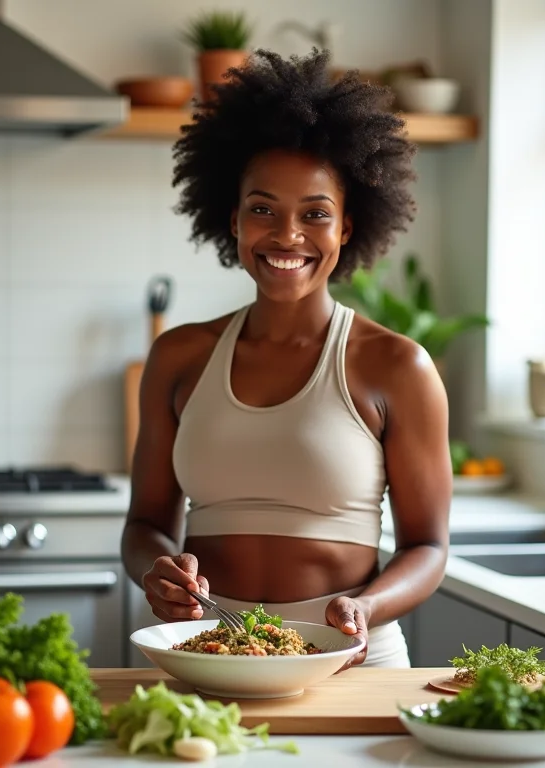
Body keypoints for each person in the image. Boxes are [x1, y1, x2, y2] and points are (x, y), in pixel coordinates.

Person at [122, 48, 452, 668]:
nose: (287, 235)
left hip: (349, 659)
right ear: (234, 220)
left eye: (316, 214)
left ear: (347, 227)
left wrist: (366, 607)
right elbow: (144, 525)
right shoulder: (179, 357)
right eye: (263, 209)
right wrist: (156, 571)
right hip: (202, 653)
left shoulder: (397, 367)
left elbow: (429, 547)